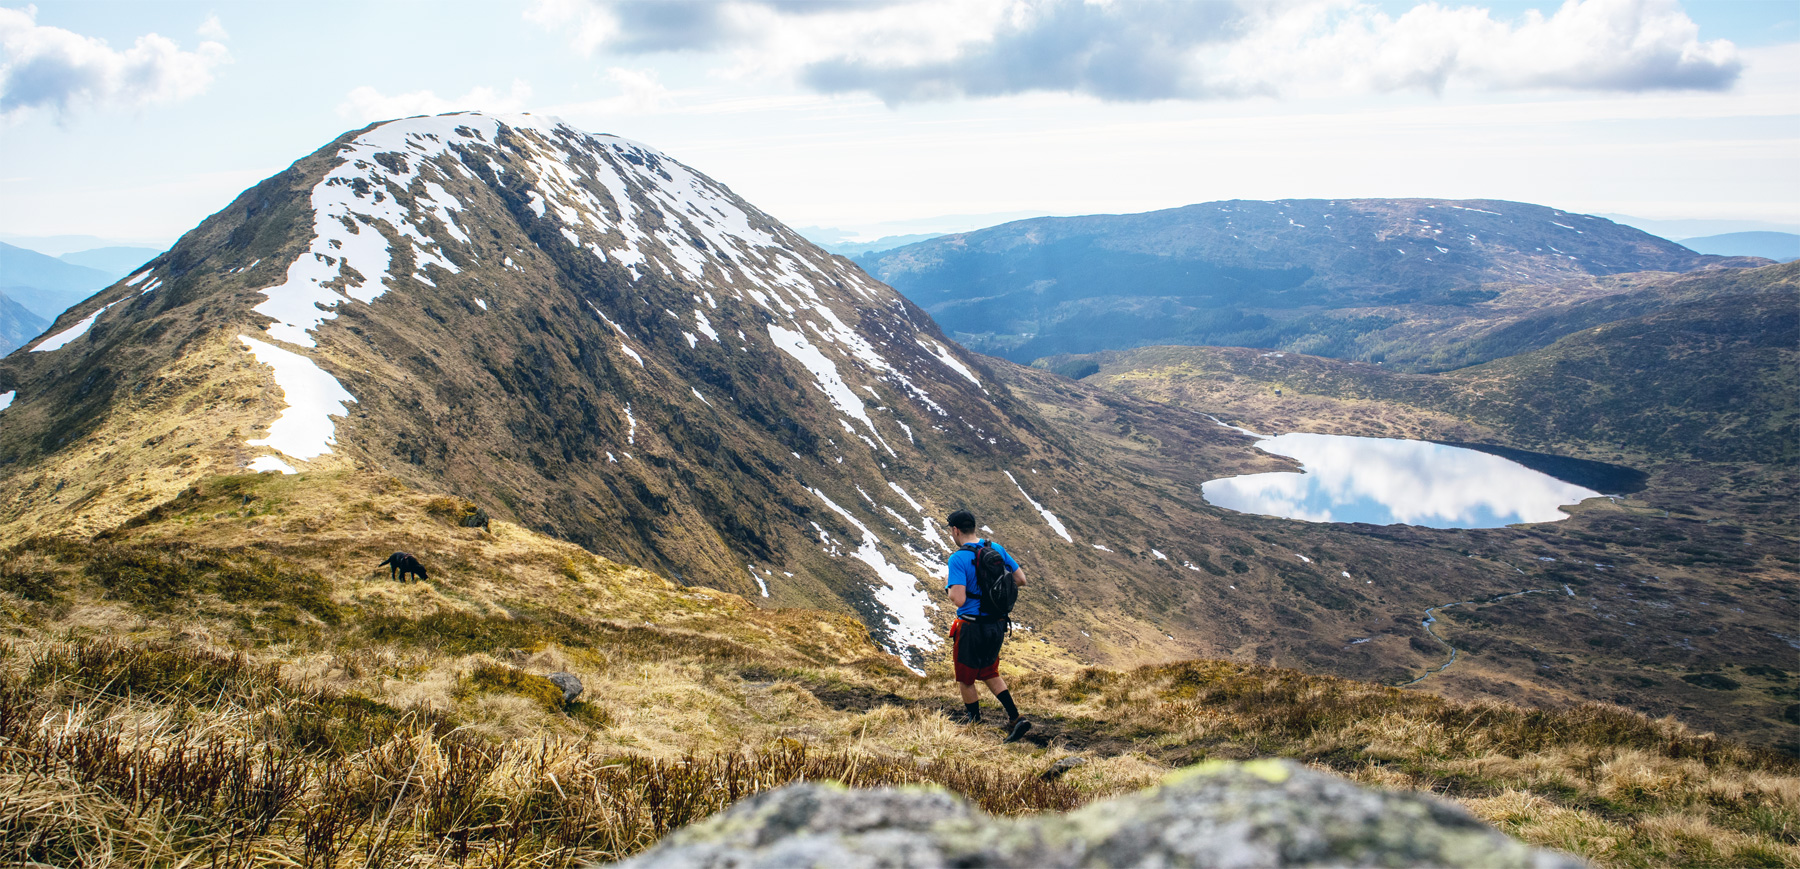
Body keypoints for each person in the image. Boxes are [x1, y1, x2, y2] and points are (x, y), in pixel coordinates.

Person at [944, 509, 1032, 743]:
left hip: (971, 626)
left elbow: (959, 599)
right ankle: (1015, 718)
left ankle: (974, 723)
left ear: (955, 530)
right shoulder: (996, 549)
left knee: (966, 678)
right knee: (989, 671)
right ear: (973, 526)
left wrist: (949, 588)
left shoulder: (958, 558)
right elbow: (1021, 580)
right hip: (997, 624)